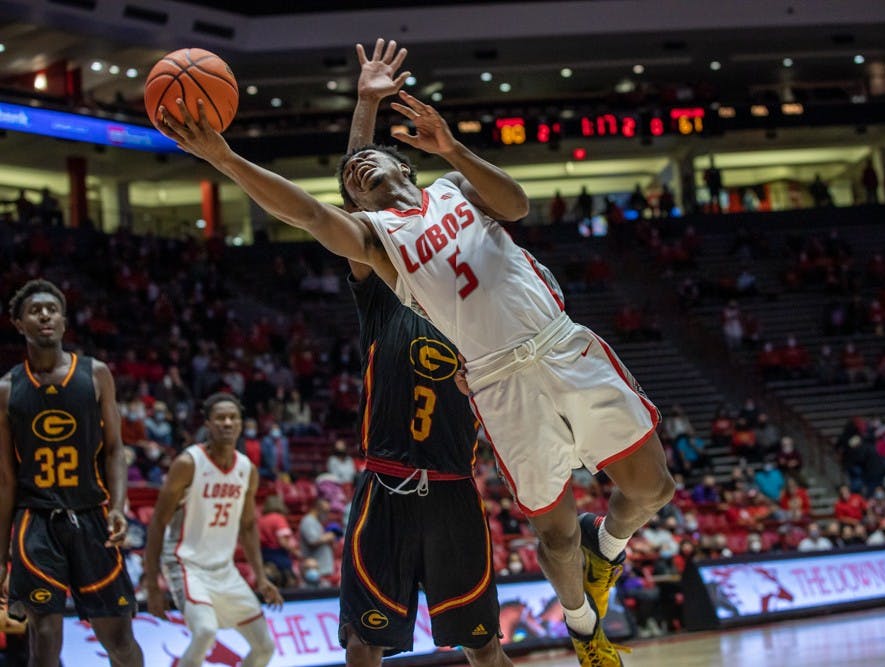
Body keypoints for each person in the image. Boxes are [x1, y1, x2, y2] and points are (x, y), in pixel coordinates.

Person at [158, 37, 675, 666]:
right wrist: (227, 157)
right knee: (547, 537)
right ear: (357, 202)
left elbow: (516, 205)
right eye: (352, 179)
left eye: (370, 162)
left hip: (556, 346)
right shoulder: (379, 245)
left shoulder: (456, 186)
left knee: (653, 489)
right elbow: (311, 214)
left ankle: (610, 547)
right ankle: (582, 627)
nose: (360, 173)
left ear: (404, 164)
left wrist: (444, 141)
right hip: (490, 390)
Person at [336, 41, 510, 667]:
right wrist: (364, 104)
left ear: (407, 171)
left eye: (380, 170)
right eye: (362, 186)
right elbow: (354, 192)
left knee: (482, 644)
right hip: (385, 485)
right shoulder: (381, 276)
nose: (368, 185)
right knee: (365, 641)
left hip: (454, 488)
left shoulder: (462, 272)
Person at [0, 279, 143, 667]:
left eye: (52, 309)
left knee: (119, 638)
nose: (45, 315)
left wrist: (119, 507)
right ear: (18, 323)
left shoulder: (96, 374)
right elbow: (6, 478)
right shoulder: (7, 389)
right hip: (36, 520)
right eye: (34, 311)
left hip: (92, 514)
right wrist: (1, 554)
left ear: (63, 320)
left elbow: (115, 450)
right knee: (43, 638)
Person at [144, 393, 282, 667]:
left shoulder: (247, 469)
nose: (227, 423)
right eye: (220, 418)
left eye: (233, 418)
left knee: (264, 648)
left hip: (224, 570)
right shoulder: (188, 463)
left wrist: (261, 577)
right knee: (205, 631)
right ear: (208, 424)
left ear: (241, 424)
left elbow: (248, 525)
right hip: (185, 563)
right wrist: (152, 586)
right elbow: (158, 522)